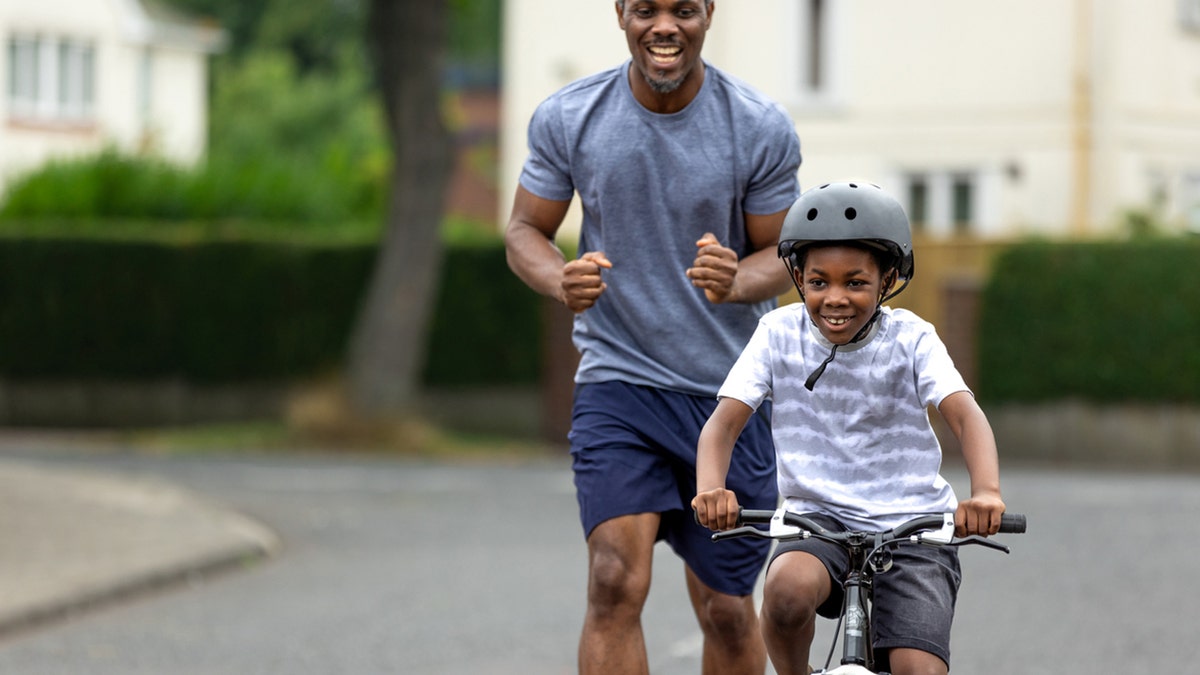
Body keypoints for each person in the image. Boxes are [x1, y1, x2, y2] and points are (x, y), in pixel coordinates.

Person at [504, 0, 802, 672]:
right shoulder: (571, 117)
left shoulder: (754, 125)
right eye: (646, 9)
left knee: (726, 609)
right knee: (613, 580)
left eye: (683, 10)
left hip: (729, 398)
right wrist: (559, 279)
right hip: (620, 382)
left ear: (708, 15)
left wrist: (737, 279)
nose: (664, 25)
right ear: (621, 15)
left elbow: (784, 252)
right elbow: (525, 230)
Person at [691, 182, 1007, 675]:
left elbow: (966, 416)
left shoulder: (913, 339)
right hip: (816, 521)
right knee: (786, 592)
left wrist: (985, 492)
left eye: (855, 282)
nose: (834, 298)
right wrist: (711, 488)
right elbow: (722, 426)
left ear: (888, 280)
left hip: (912, 527)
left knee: (917, 668)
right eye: (819, 282)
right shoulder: (777, 334)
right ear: (797, 277)